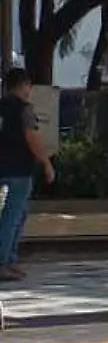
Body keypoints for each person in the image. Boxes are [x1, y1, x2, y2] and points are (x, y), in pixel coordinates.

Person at [0, 68, 54, 281]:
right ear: (23, 85)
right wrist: (47, 163)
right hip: (20, 169)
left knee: (15, 215)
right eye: (29, 86)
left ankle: (9, 260)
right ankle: (4, 261)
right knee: (14, 216)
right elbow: (32, 138)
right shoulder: (25, 109)